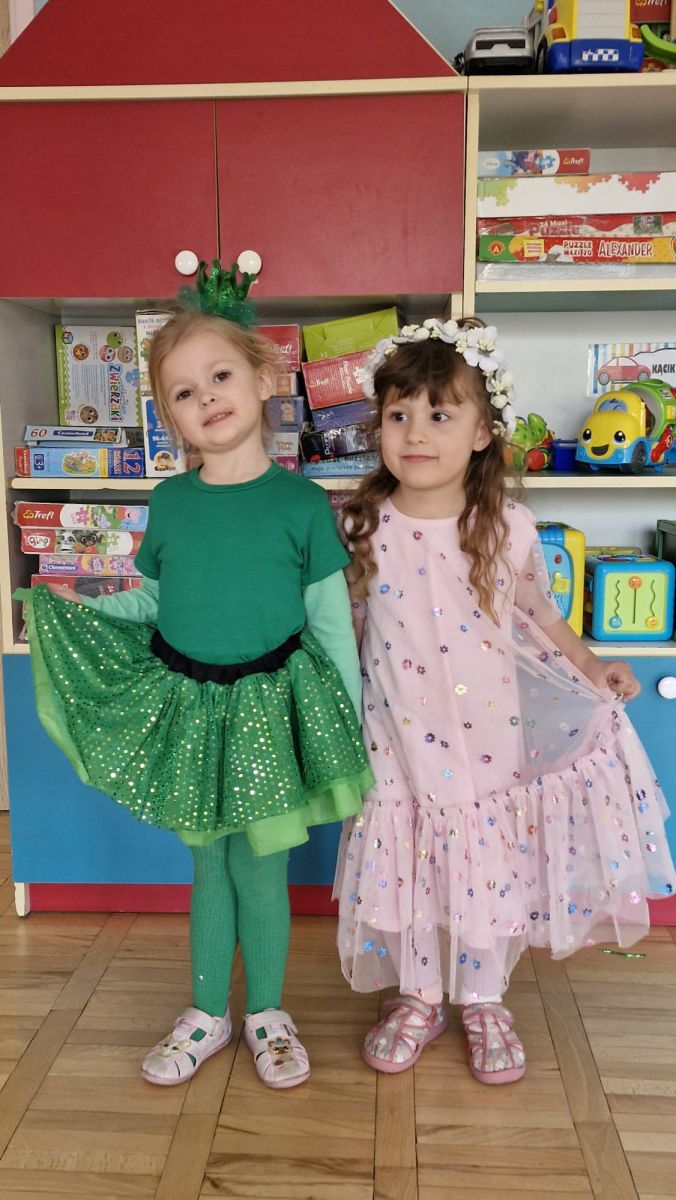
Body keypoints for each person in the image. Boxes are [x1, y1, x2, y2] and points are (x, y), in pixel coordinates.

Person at [18, 263, 373, 1091]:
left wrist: (348, 735)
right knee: (208, 864)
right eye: (183, 392)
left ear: (262, 379)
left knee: (262, 868)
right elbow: (156, 602)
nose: (206, 397)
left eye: (219, 377)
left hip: (272, 714)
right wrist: (85, 603)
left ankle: (267, 1014)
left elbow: (331, 625)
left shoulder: (301, 506)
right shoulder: (171, 502)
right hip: (193, 713)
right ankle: (209, 1012)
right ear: (168, 416)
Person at [333, 317, 675, 1084]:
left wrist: (592, 667)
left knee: (482, 863)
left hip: (486, 738)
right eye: (398, 414)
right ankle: (419, 995)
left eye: (439, 414)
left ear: (483, 432)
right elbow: (342, 627)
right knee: (410, 859)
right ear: (379, 426)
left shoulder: (506, 527)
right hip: (394, 736)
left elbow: (540, 616)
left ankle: (484, 997)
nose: (416, 433)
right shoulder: (360, 525)